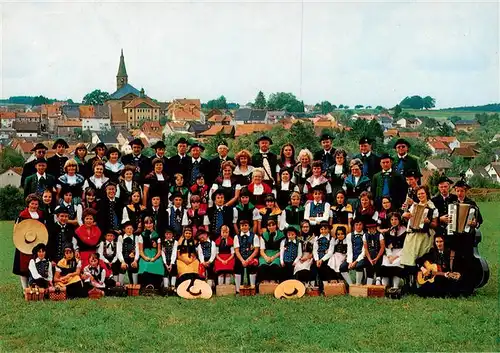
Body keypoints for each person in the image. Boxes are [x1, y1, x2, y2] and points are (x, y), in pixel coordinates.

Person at [401, 185, 439, 291]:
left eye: (422, 193)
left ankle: (420, 284)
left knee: (420, 259)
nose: (420, 195)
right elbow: (407, 217)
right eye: (418, 194)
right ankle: (408, 283)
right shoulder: (414, 206)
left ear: (427, 194)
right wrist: (405, 215)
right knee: (409, 259)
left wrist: (428, 222)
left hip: (424, 236)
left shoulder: (432, 207)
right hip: (412, 235)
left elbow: (435, 224)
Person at [13, 194, 46, 289]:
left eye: (36, 204)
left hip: (37, 243)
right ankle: (25, 288)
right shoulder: (22, 215)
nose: (34, 206)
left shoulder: (41, 214)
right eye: (32, 203)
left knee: (35, 265)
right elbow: (17, 229)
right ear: (28, 204)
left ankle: (35, 287)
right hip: (24, 243)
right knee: (23, 268)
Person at [380, 212, 406, 288]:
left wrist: (395, 257)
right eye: (392, 219)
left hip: (400, 253)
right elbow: (387, 246)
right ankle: (384, 287)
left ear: (399, 220)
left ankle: (395, 287)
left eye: (396, 219)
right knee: (385, 263)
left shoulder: (405, 231)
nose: (394, 221)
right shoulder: (388, 232)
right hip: (390, 253)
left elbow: (405, 247)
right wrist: (389, 256)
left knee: (396, 263)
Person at [234, 219, 260, 293]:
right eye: (242, 226)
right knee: (237, 265)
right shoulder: (236, 237)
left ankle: (252, 286)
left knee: (253, 265)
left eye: (246, 225)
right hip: (240, 257)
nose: (244, 227)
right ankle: (238, 288)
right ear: (240, 227)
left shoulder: (254, 236)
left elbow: (256, 250)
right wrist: (242, 260)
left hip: (251, 257)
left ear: (249, 226)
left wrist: (248, 259)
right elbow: (236, 251)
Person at [137, 216, 163, 288]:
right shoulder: (141, 236)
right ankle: (147, 285)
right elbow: (141, 251)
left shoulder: (157, 235)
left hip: (155, 254)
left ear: (153, 224)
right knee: (145, 264)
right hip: (145, 254)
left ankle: (155, 285)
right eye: (147, 223)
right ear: (144, 225)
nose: (149, 225)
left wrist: (155, 258)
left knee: (157, 263)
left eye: (150, 223)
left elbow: (159, 251)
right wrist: (145, 257)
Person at [339, 218, 366, 285]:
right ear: (354, 226)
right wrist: (350, 262)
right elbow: (349, 249)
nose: (358, 226)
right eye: (356, 225)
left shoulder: (366, 235)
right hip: (352, 257)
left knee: (358, 266)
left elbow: (364, 251)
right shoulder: (349, 235)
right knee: (342, 267)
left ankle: (358, 284)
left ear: (363, 225)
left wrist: (355, 262)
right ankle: (351, 285)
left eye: (360, 224)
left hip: (362, 257)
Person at [258, 219, 284, 283]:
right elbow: (261, 250)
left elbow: (282, 249)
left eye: (273, 225)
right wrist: (266, 257)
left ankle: (273, 281)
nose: (271, 227)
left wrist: (273, 257)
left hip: (277, 254)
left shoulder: (281, 235)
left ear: (276, 225)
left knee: (274, 266)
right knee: (263, 266)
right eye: (269, 225)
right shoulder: (264, 235)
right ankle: (265, 282)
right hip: (265, 254)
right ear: (267, 227)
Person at [312, 221, 335, 288]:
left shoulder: (331, 239)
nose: (323, 231)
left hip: (326, 257)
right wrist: (317, 260)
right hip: (317, 257)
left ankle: (325, 285)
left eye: (325, 229)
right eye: (322, 229)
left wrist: (322, 260)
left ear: (328, 229)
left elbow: (330, 252)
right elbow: (315, 250)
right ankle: (316, 284)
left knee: (324, 266)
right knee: (314, 266)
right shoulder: (316, 238)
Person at [294, 220, 314, 284]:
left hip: (310, 256)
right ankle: (299, 284)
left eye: (307, 227)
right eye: (303, 227)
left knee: (305, 268)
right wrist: (300, 258)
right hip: (301, 256)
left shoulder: (313, 237)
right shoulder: (299, 238)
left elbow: (315, 251)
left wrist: (307, 258)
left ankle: (307, 284)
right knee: (298, 266)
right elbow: (299, 251)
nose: (305, 228)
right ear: (301, 228)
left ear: (309, 227)